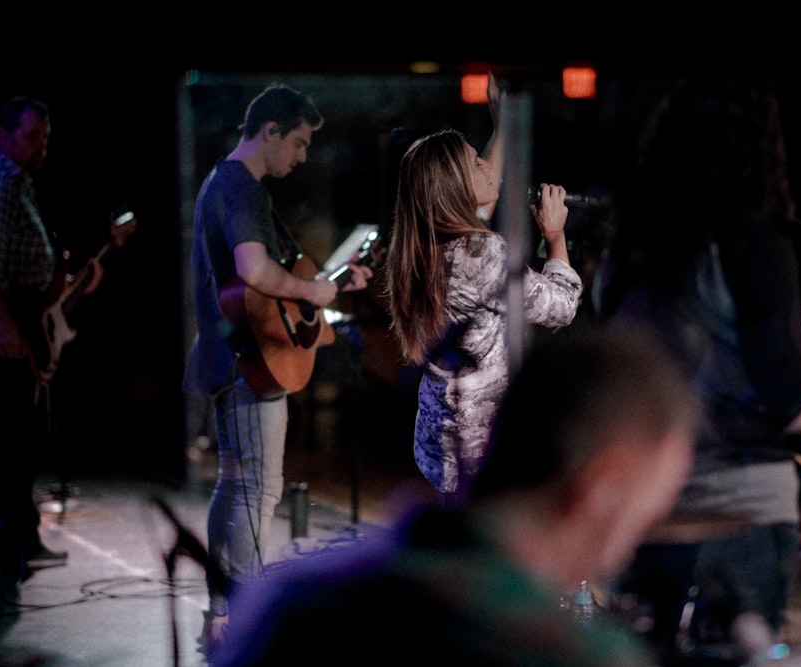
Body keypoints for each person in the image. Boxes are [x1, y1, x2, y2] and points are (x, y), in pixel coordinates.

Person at [595, 76, 801, 664]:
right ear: (758, 145)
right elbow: (792, 403)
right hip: (736, 511)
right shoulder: (750, 244)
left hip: (643, 507)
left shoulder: (627, 252)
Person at [207, 323, 700, 666]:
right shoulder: (567, 653)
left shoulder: (287, 600)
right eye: (639, 521)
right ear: (602, 488)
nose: (622, 557)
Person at [182, 82, 374, 654]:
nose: (303, 156)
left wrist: (325, 289)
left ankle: (225, 608)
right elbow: (258, 273)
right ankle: (246, 619)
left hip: (236, 357)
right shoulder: (241, 188)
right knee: (257, 490)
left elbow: (274, 288)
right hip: (248, 364)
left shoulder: (225, 184)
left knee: (238, 484)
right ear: (269, 132)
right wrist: (312, 289)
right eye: (298, 142)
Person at [385, 74, 584, 507]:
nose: (487, 167)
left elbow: (478, 205)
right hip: (482, 446)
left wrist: (502, 124)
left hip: (442, 438)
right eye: (476, 163)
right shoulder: (481, 253)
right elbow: (561, 307)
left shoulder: (426, 245)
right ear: (456, 185)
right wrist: (554, 235)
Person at [0, 96, 103, 582]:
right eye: (31, 137)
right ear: (3, 134)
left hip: (16, 325)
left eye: (46, 137)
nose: (41, 147)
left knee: (27, 433)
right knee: (14, 436)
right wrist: (3, 325)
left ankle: (18, 537)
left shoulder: (15, 182)